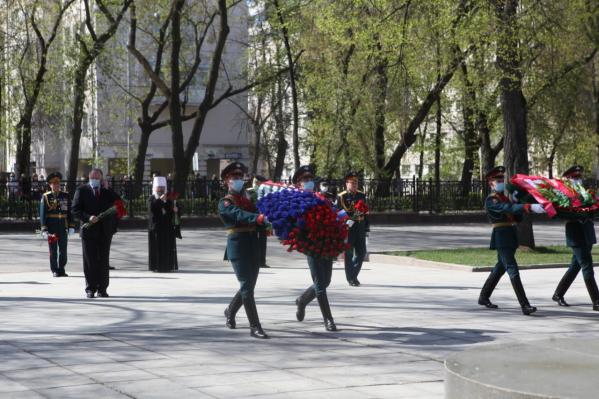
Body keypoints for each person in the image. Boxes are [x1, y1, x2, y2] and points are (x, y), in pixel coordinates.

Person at [478, 166, 545, 315]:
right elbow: (506, 209)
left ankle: (483, 296)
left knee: (500, 268)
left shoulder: (504, 198)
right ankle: (524, 305)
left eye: (502, 179)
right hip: (502, 237)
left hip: (510, 235)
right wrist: (528, 207)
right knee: (513, 270)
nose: (501, 182)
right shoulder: (492, 200)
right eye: (498, 180)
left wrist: (519, 201)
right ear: (491, 184)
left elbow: (516, 216)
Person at [220, 162, 270, 339]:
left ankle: (230, 311)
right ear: (227, 181)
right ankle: (255, 326)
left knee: (248, 286)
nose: (238, 180)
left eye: (240, 177)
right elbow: (239, 215)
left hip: (253, 246)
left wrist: (267, 222)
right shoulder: (225, 202)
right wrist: (258, 218)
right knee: (247, 288)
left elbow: (260, 213)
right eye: (234, 177)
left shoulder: (250, 199)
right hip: (238, 248)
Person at [293, 165, 338, 331]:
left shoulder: (322, 199)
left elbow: (332, 214)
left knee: (326, 281)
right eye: (305, 180)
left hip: (326, 243)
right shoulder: (295, 201)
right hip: (311, 245)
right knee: (320, 284)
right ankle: (329, 320)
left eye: (311, 179)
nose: (309, 182)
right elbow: (294, 224)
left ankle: (302, 301)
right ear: (298, 184)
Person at [552, 165, 599, 310]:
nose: (578, 180)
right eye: (574, 177)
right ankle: (596, 300)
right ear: (568, 179)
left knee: (575, 266)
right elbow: (559, 213)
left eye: (579, 177)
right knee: (587, 265)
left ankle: (558, 294)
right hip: (575, 233)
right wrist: (578, 213)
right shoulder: (563, 195)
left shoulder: (586, 193)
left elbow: (594, 210)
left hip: (587, 232)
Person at [72, 168, 120, 298]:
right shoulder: (81, 190)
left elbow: (118, 203)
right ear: (89, 178)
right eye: (92, 177)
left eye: (97, 178)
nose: (95, 180)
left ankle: (102, 289)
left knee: (104, 261)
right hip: (89, 231)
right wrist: (88, 218)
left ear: (101, 179)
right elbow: (75, 210)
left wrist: (108, 188)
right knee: (90, 261)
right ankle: (90, 288)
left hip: (105, 232)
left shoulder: (106, 191)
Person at [39, 172, 75, 277]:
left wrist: (72, 226)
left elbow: (70, 212)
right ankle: (54, 269)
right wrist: (43, 229)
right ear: (50, 185)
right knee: (53, 250)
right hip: (51, 227)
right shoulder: (46, 197)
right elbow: (42, 214)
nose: (56, 186)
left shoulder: (66, 196)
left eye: (58, 184)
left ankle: (61, 269)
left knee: (63, 250)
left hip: (63, 226)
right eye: (54, 184)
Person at [338, 171, 369, 286]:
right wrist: (346, 221)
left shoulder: (361, 195)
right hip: (348, 229)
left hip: (360, 227)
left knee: (361, 253)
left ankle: (352, 275)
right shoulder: (341, 196)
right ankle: (351, 279)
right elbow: (338, 212)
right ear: (346, 183)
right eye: (352, 182)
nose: (354, 184)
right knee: (349, 254)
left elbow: (365, 212)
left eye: (356, 182)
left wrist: (367, 228)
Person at [148, 176, 179, 272]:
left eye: (162, 187)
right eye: (158, 187)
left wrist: (176, 210)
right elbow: (153, 210)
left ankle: (168, 265)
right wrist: (160, 200)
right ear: (155, 188)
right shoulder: (152, 198)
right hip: (156, 227)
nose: (160, 189)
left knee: (167, 247)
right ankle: (156, 266)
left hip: (167, 227)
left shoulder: (169, 199)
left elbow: (173, 211)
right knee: (157, 248)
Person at [247, 175, 270, 268]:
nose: (255, 184)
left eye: (257, 182)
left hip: (263, 219)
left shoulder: (265, 191)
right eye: (255, 182)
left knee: (262, 241)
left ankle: (262, 261)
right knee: (252, 240)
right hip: (253, 219)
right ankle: (252, 260)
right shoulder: (249, 192)